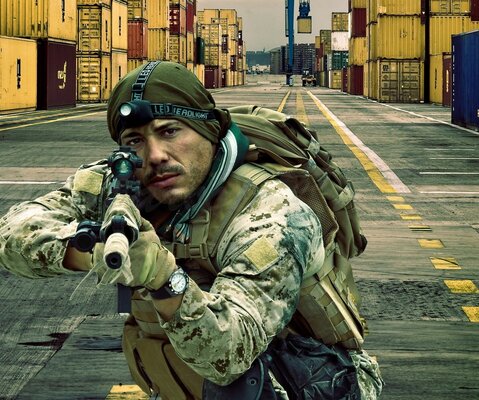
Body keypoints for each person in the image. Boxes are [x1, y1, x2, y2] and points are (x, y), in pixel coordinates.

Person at [0, 61, 383, 399]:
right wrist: (88, 251)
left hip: (305, 384)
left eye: (169, 131)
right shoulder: (124, 179)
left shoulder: (272, 212)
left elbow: (228, 353)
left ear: (210, 130)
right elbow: (11, 233)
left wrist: (163, 277)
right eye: (135, 140)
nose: (154, 156)